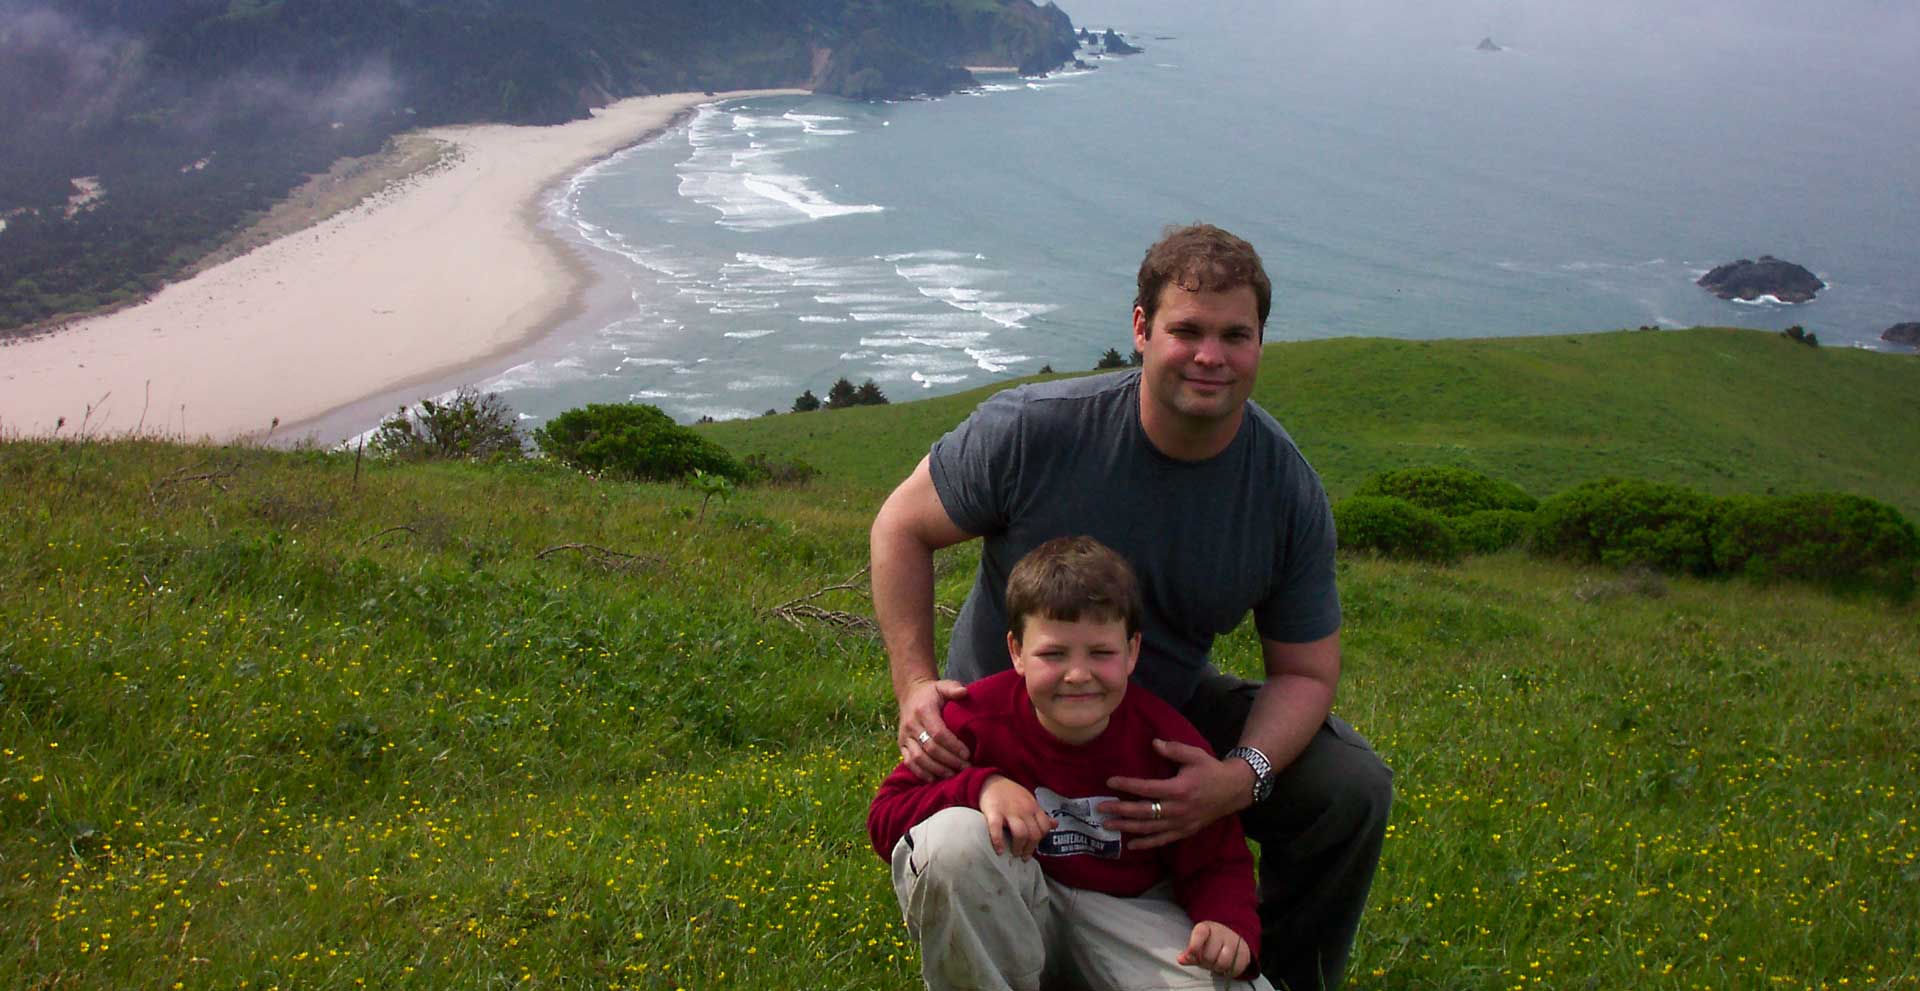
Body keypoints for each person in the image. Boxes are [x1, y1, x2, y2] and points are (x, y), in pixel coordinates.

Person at [869, 223, 1392, 991]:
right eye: (1186, 330)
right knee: (951, 846)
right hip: (1001, 730)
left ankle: (1258, 964)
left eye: (1235, 335)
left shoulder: (1283, 489)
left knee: (1350, 784)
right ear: (1141, 329)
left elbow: (1307, 672)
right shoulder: (1035, 429)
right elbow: (900, 527)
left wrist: (1237, 776)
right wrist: (916, 687)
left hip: (1154, 718)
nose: (1210, 356)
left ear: (1260, 342)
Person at [869, 536, 1275, 991]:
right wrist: (980, 787)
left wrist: (1225, 921)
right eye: (1053, 653)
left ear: (1132, 652)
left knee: (1234, 986)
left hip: (1125, 913)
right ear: (1017, 652)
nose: (1078, 674)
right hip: (1011, 903)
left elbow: (1218, 857)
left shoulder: (1167, 741)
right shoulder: (974, 719)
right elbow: (886, 819)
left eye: (1101, 653)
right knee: (950, 843)